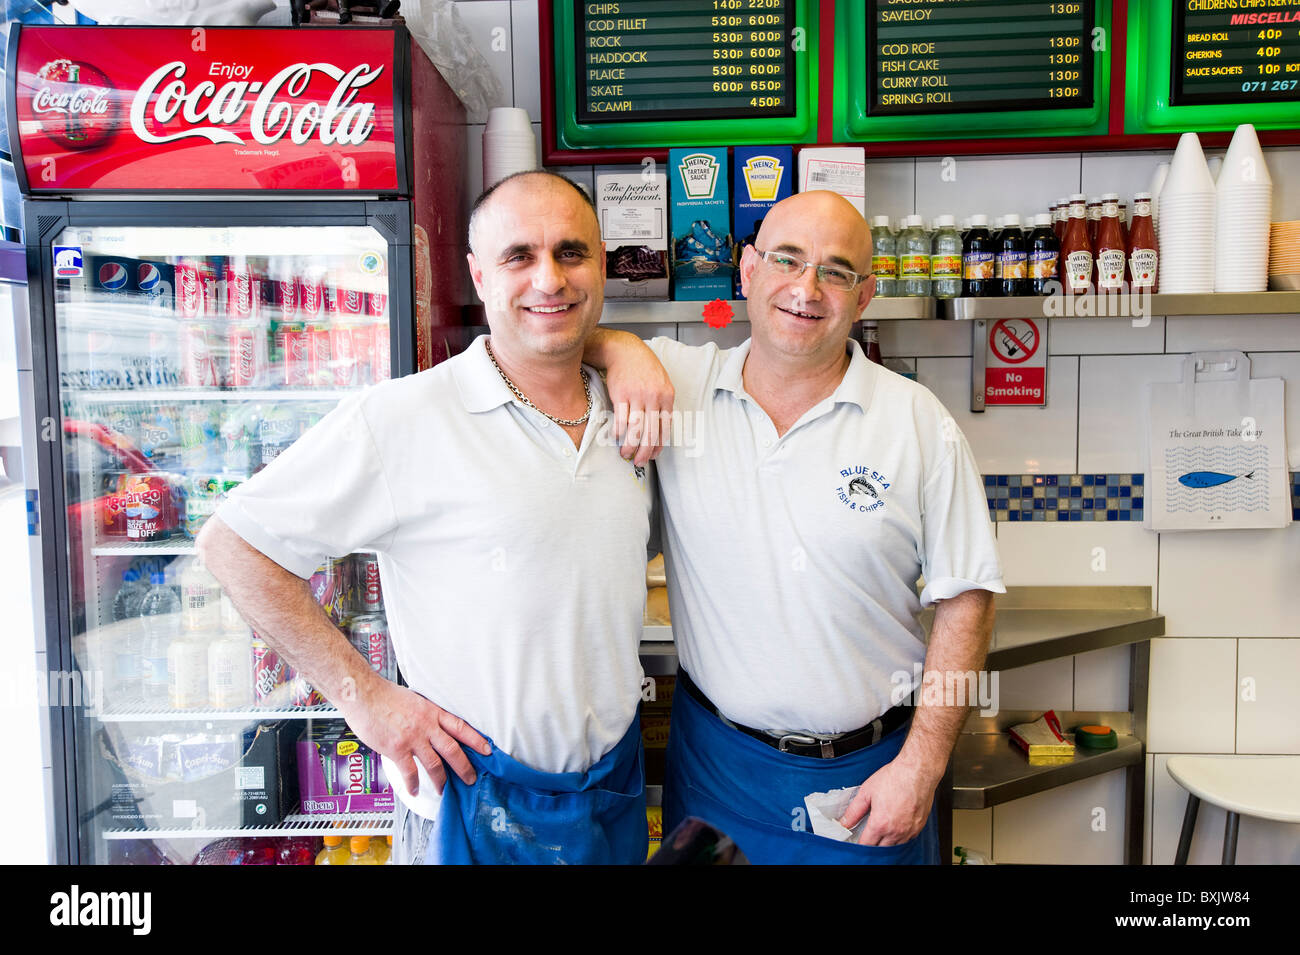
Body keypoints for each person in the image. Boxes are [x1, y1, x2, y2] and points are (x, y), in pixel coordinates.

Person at [198, 170, 658, 865]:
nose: (550, 278)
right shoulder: (404, 417)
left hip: (606, 800)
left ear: (601, 265)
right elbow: (233, 544)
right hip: (467, 808)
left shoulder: (634, 413)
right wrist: (364, 698)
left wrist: (625, 346)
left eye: (572, 253)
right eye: (519, 256)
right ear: (478, 275)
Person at [586, 190, 1004, 864]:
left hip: (869, 780)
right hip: (717, 769)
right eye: (787, 259)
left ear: (864, 297)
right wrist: (621, 347)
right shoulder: (681, 384)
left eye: (835, 271)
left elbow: (968, 597)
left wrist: (922, 766)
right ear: (748, 270)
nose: (807, 289)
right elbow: (549, 335)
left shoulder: (917, 421)